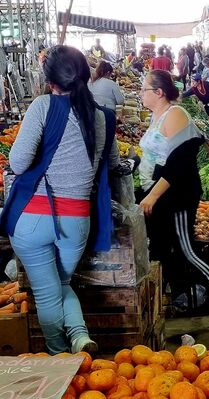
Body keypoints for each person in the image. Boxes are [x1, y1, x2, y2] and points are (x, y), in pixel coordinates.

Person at [3, 45, 119, 354]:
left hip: (32, 218)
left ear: (50, 80)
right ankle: (80, 337)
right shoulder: (104, 117)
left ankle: (57, 353)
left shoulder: (43, 106)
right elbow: (114, 162)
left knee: (46, 293)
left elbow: (18, 162)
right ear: (85, 74)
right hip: (77, 220)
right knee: (62, 284)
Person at [138, 70, 209, 327]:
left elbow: (178, 165)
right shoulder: (157, 116)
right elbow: (155, 157)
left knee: (186, 249)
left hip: (178, 196)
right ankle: (178, 298)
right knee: (162, 250)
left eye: (144, 89)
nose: (140, 94)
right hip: (160, 195)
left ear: (159, 93)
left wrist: (152, 195)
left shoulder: (175, 116)